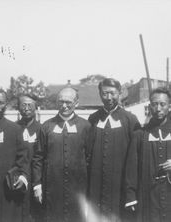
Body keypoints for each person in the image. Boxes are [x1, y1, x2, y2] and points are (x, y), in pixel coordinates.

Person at [32, 87, 91, 222]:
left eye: (68, 102)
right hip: (52, 187)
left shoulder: (85, 126)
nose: (64, 106)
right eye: (61, 102)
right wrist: (37, 185)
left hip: (78, 188)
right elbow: (38, 157)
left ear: (76, 103)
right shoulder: (46, 126)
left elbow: (89, 156)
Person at [87, 78, 140, 221]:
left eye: (112, 93)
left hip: (121, 182)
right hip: (96, 183)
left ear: (120, 93)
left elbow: (137, 154)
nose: (108, 98)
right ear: (100, 94)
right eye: (104, 94)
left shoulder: (130, 120)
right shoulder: (93, 119)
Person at [125, 87, 171, 222]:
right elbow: (131, 168)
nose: (158, 108)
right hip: (148, 195)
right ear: (149, 106)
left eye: (163, 104)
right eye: (154, 104)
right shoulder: (140, 135)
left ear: (169, 106)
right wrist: (130, 196)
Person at [0, 89, 29, 222]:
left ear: (6, 105)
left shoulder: (15, 129)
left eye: (1, 103)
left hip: (7, 188)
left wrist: (22, 177)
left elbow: (23, 158)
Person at [16, 94, 42, 222]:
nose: (26, 108)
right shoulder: (13, 128)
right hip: (19, 180)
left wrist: (38, 182)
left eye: (29, 105)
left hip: (37, 181)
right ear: (18, 108)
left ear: (35, 108)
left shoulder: (42, 129)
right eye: (23, 105)